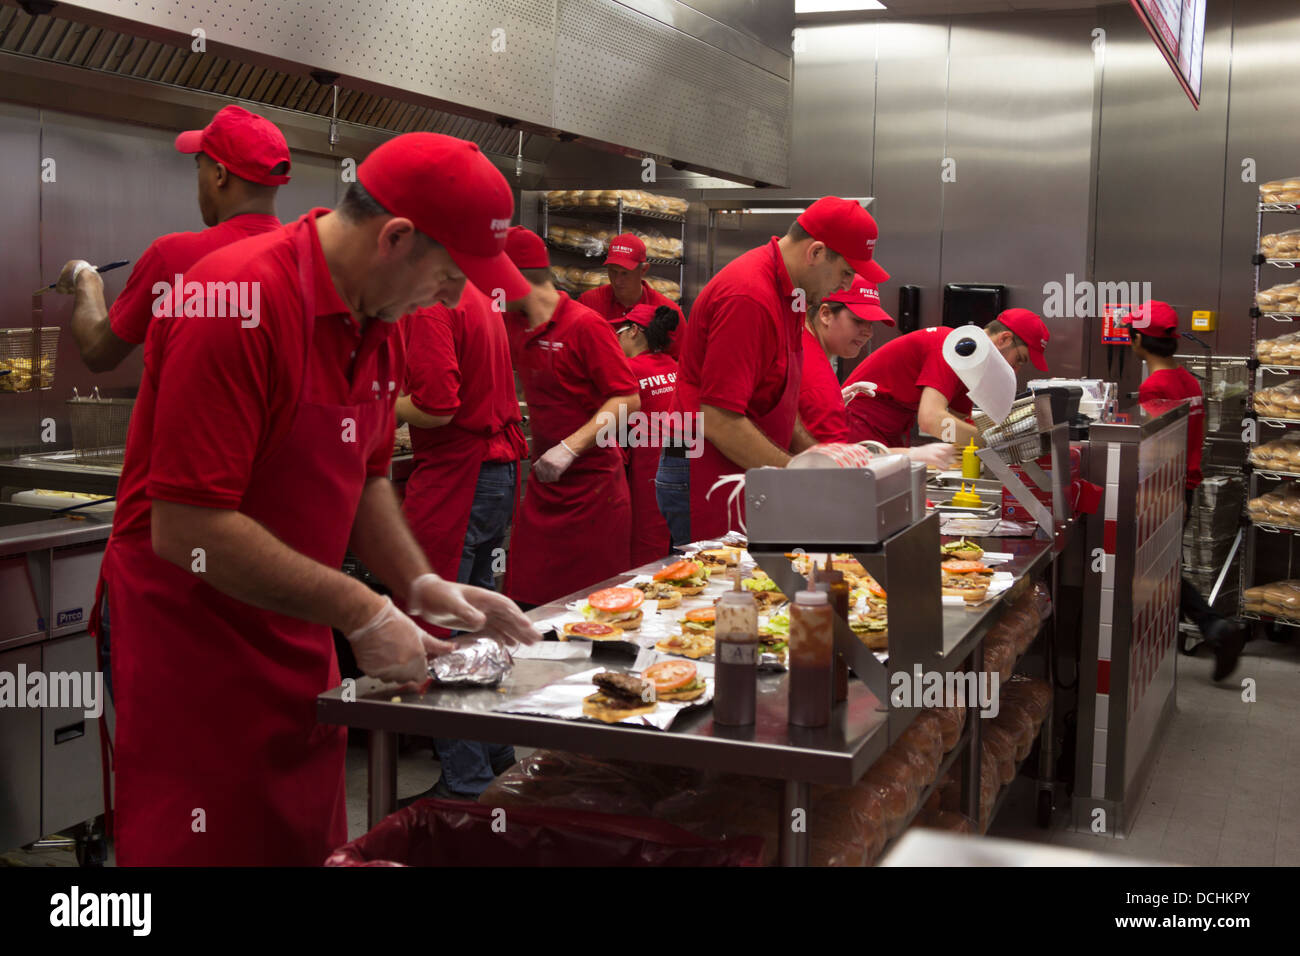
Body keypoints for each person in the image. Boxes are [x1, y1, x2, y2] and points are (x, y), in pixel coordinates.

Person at [101, 132, 540, 866]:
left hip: (296, 633)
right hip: (195, 650)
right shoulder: (234, 302)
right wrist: (362, 609)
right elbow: (187, 527)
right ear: (396, 237)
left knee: (308, 845)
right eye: (454, 275)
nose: (458, 296)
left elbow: (365, 474)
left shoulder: (380, 320)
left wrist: (415, 583)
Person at [659, 196, 888, 543]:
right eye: (845, 272)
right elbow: (719, 418)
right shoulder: (748, 296)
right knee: (714, 586)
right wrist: (798, 476)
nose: (845, 286)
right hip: (703, 469)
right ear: (816, 252)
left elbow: (778, 398)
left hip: (741, 467)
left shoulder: (793, 293)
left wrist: (815, 457)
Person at [397, 279, 529, 798]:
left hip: (459, 474)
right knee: (478, 628)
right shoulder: (475, 295)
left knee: (437, 628)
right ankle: (495, 761)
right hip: (494, 473)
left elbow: (437, 406)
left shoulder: (429, 303)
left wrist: (375, 409)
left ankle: (466, 783)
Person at [56, 104, 290, 372]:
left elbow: (98, 351)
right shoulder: (304, 261)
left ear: (219, 175)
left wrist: (85, 277)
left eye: (198, 166)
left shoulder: (172, 257)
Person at [500, 226, 641, 606]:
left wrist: (568, 449)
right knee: (529, 602)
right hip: (546, 489)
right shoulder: (512, 323)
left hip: (593, 492)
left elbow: (627, 399)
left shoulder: (584, 325)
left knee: (592, 611)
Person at [1129, 300, 1245, 681]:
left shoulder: (1154, 385)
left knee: (1157, 571)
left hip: (1164, 491)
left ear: (1138, 341)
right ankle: (1209, 629)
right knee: (1164, 567)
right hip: (1186, 485)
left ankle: (1214, 627)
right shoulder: (1187, 379)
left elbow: (1154, 450)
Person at [843, 308, 1051, 449]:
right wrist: (992, 443)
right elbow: (931, 420)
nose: (1015, 370)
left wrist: (1009, 433)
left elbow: (957, 420)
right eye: (1019, 360)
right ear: (1005, 339)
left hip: (891, 429)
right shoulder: (953, 347)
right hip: (858, 425)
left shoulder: (971, 364)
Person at [612, 303, 680, 566]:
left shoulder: (629, 370)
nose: (615, 337)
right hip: (681, 457)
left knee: (647, 541)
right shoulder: (673, 365)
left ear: (633, 332)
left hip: (649, 464)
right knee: (672, 536)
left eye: (619, 330)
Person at [578, 232, 685, 356]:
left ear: (643, 270)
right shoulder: (588, 303)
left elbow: (681, 361)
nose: (617, 280)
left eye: (625, 273)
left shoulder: (666, 311)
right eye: (613, 271)